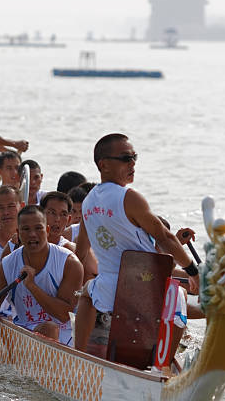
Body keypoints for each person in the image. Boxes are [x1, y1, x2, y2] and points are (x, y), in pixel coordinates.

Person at [73, 133, 199, 357]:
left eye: (134, 157)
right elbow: (165, 237)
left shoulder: (89, 201)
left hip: (108, 289)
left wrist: (76, 284)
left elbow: (80, 252)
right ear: (103, 165)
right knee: (179, 295)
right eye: (125, 158)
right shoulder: (130, 197)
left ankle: (79, 357)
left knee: (86, 293)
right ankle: (164, 366)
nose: (132, 163)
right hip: (145, 288)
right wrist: (193, 271)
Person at [0, 205, 84, 347]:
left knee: (49, 328)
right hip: (24, 333)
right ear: (18, 233)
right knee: (47, 328)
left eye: (38, 228)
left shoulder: (69, 263)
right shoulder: (7, 265)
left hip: (63, 335)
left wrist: (32, 286)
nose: (32, 234)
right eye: (26, 229)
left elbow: (63, 315)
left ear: (47, 231)